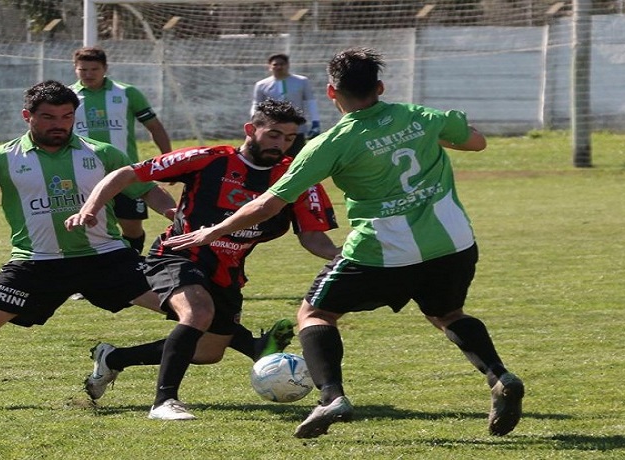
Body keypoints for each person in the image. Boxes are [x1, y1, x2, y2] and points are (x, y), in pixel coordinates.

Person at [164, 48, 525, 438]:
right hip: (453, 241)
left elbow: (270, 203)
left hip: (384, 248)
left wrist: (212, 231)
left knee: (315, 315)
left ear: (332, 93)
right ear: (381, 86)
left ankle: (331, 397)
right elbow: (476, 143)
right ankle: (500, 375)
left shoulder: (331, 143)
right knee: (448, 314)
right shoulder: (421, 116)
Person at [0, 80, 177, 413]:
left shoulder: (102, 153)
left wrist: (171, 212)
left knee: (191, 314)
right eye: (48, 117)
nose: (59, 124)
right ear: (27, 116)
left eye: (66, 116)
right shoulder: (3, 158)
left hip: (107, 258)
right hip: (37, 261)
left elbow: (145, 189)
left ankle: (243, 349)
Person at [64, 100, 340, 420]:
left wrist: (343, 256)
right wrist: (90, 208)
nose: (281, 145)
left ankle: (113, 359)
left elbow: (312, 237)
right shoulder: (207, 159)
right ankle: (164, 402)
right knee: (198, 312)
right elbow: (127, 174)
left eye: (289, 138)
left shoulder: (295, 178)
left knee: (208, 352)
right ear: (251, 130)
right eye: (274, 135)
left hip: (228, 270)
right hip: (179, 253)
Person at [70, 46, 173, 254]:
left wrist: (167, 159)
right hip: (85, 172)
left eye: (94, 69)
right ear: (75, 69)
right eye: (83, 70)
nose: (88, 74)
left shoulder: (126, 93)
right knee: (88, 224)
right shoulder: (68, 97)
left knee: (132, 228)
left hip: (126, 171)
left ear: (105, 68)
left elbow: (154, 126)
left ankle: (132, 261)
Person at [251, 53, 321, 157]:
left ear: (288, 65)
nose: (279, 67)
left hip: (296, 129)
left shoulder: (301, 81)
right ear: (269, 66)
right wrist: (255, 122)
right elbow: (257, 105)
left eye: (282, 64)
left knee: (295, 158)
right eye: (275, 64)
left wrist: (315, 122)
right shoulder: (261, 85)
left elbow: (310, 101)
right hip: (272, 129)